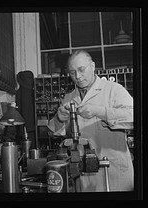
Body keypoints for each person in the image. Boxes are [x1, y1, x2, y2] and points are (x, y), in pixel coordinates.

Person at [47, 50, 134, 192]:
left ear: (92, 66)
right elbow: (52, 133)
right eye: (72, 72)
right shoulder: (69, 97)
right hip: (82, 173)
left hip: (112, 171)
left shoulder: (114, 90)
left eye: (81, 70)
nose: (77, 76)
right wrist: (59, 118)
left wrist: (100, 111)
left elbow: (133, 117)